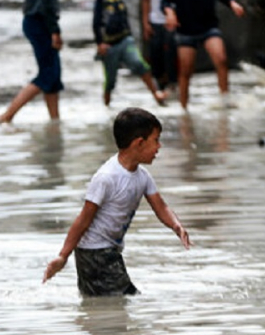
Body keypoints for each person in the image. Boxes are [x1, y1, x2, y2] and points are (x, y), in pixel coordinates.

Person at [43, 107, 191, 296]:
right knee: (130, 298)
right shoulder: (106, 177)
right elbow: (83, 219)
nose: (159, 147)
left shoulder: (142, 176)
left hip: (109, 251)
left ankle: (94, 321)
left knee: (103, 302)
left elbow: (160, 206)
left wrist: (176, 226)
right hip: (94, 253)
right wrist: (63, 256)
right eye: (156, 140)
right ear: (139, 143)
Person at [162, 0, 245, 108]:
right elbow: (166, 1)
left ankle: (224, 98)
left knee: (221, 59)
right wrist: (170, 13)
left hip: (208, 28)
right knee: (186, 71)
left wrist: (232, 3)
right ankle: (184, 108)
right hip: (185, 31)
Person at [94, 0, 166, 107]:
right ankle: (106, 102)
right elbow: (96, 23)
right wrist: (100, 43)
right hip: (110, 45)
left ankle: (156, 94)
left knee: (140, 64)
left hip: (125, 39)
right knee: (110, 78)